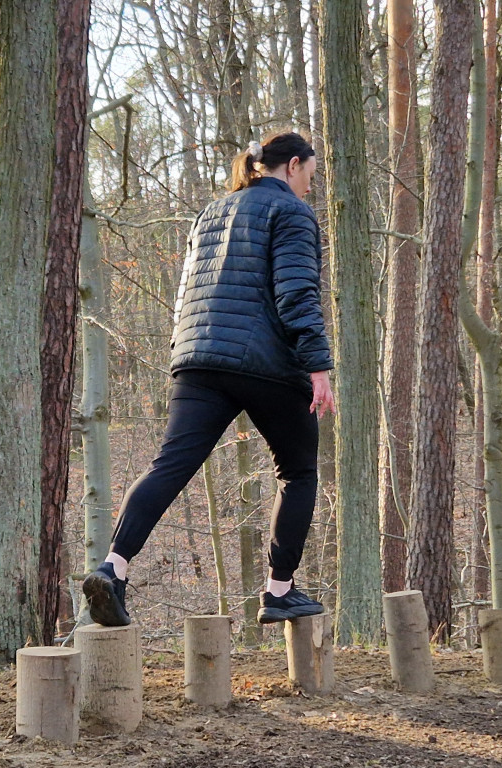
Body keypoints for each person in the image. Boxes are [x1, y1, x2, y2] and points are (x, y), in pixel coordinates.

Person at [82, 131, 336, 627]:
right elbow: (297, 292)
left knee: (169, 466)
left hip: (198, 359)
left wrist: (184, 354)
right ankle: (279, 591)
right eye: (311, 172)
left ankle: (112, 569)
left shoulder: (212, 212)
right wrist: (318, 366)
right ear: (293, 166)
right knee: (299, 470)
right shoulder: (292, 213)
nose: (311, 183)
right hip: (265, 364)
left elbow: (186, 293)